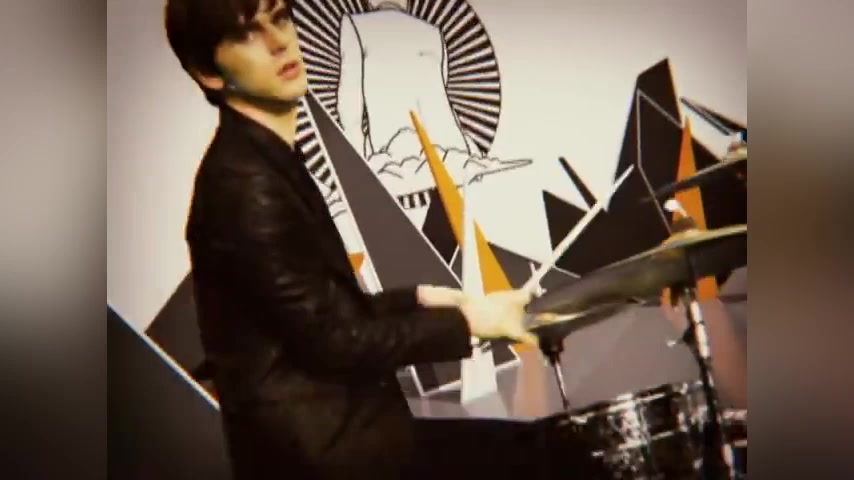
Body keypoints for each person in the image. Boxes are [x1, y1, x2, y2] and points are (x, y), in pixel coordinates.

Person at [163, 0, 541, 478]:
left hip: (344, 440)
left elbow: (316, 316)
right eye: (246, 34)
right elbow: (335, 341)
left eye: (280, 17)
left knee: (529, 449)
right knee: (535, 455)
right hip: (325, 457)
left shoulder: (265, 160)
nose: (279, 41)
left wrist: (419, 298)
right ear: (208, 72)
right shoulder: (245, 185)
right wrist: (469, 322)